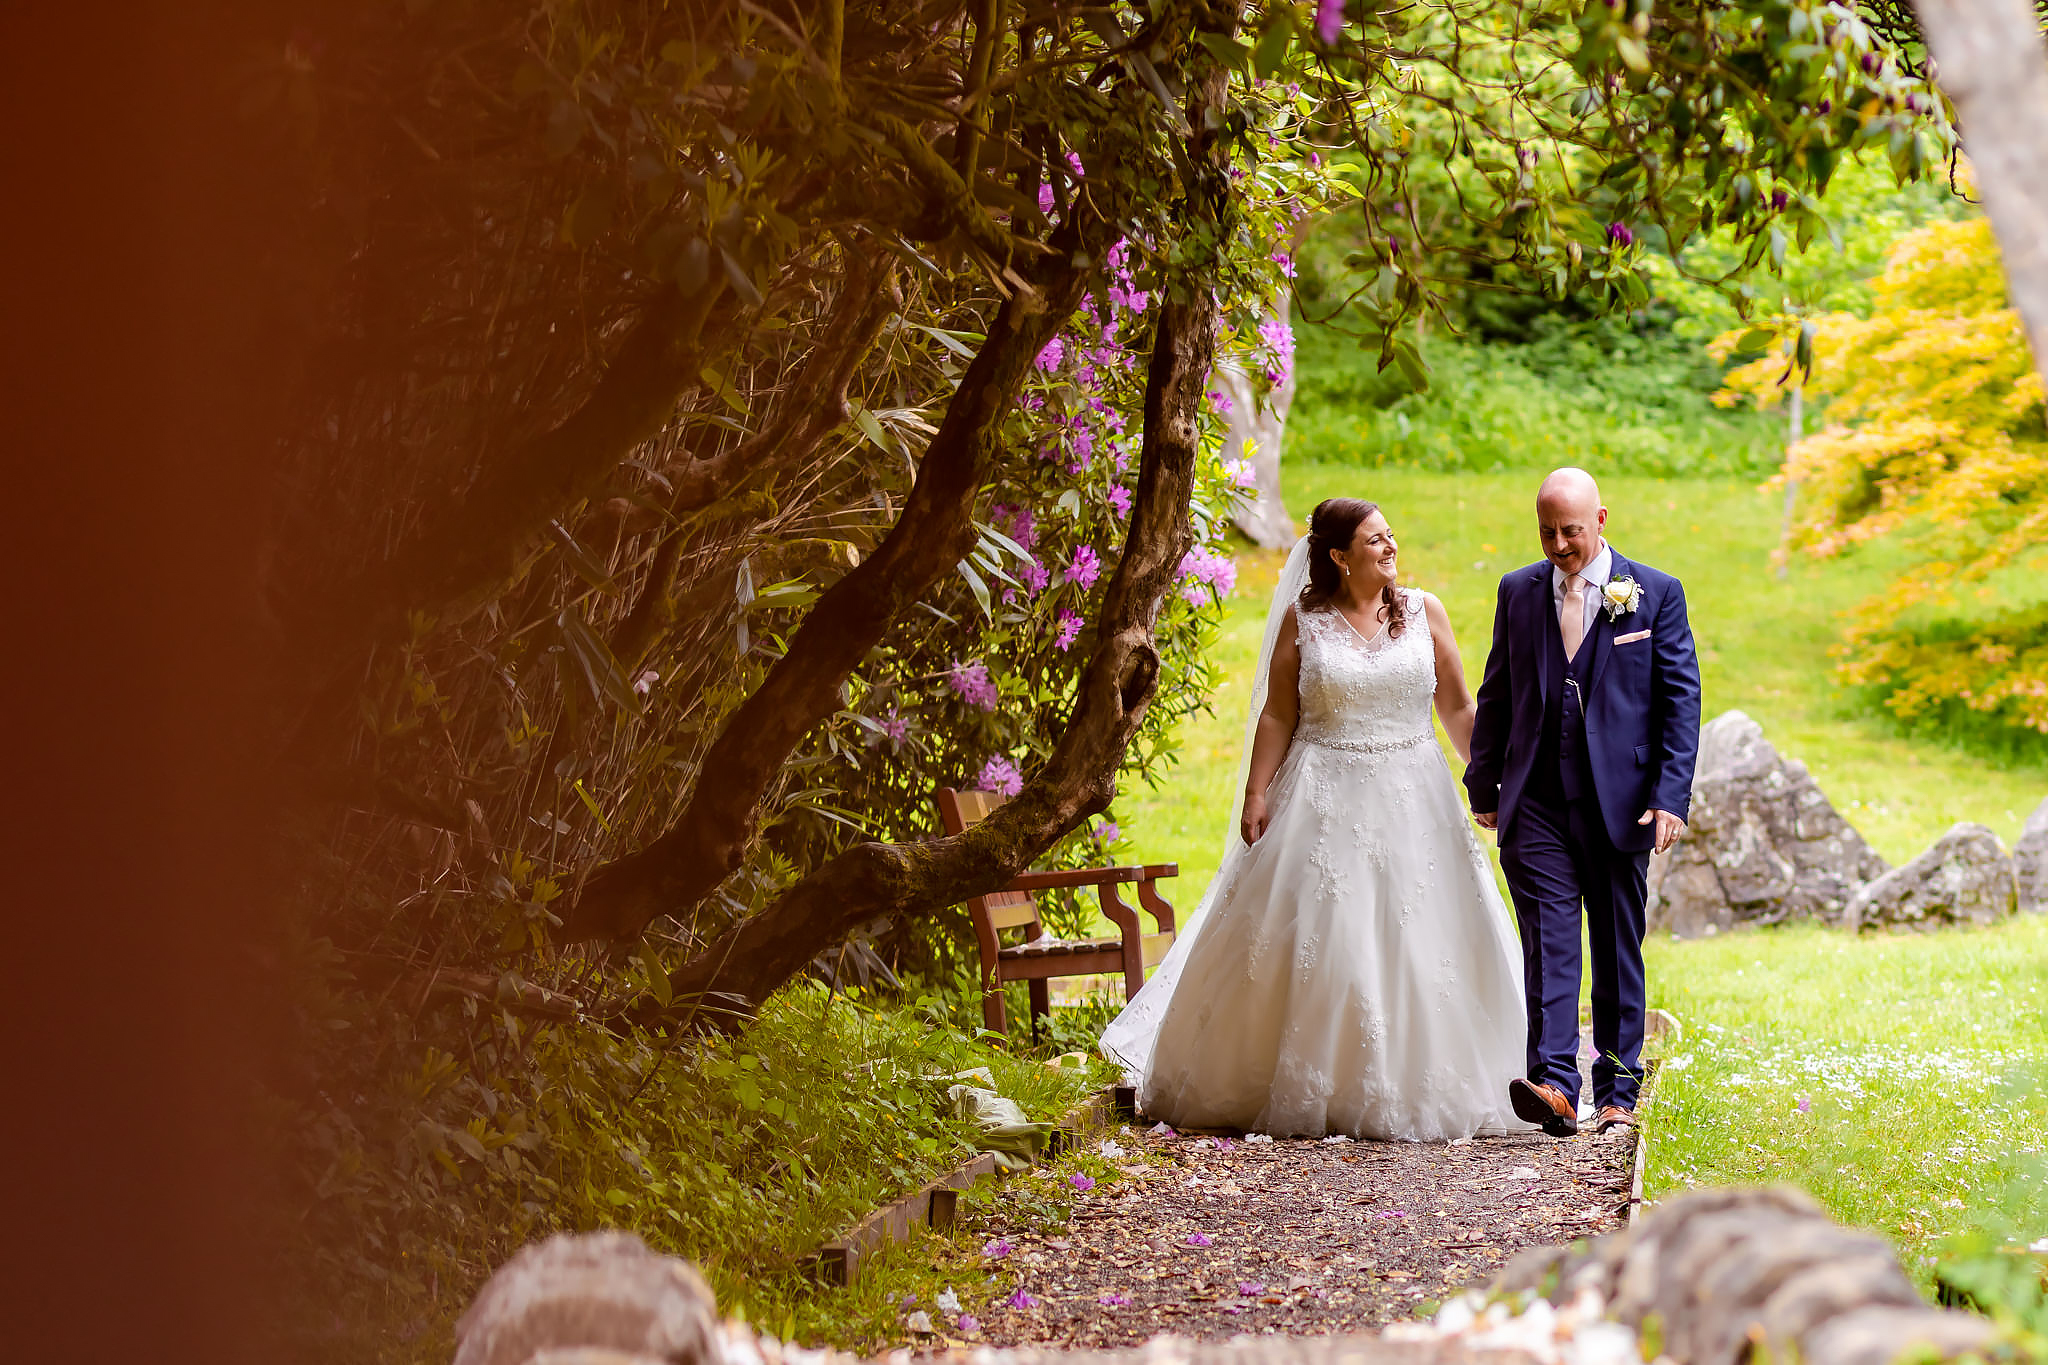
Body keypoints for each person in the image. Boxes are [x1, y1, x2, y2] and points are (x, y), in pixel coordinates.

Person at [1100, 498, 1525, 1140]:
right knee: (1324, 936)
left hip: (1416, 794)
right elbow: (1276, 716)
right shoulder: (1304, 623)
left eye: (1391, 535)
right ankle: (1312, 1081)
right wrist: (1256, 792)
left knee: (1421, 936)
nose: (1389, 548)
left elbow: (1459, 706)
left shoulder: (1425, 612)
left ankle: (1425, 1077)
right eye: (1374, 540)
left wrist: (1490, 777)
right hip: (1324, 793)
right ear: (1338, 556)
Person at [1465, 468, 1701, 1138]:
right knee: (1549, 939)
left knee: (1618, 944)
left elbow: (1680, 702)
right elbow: (1498, 693)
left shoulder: (1654, 594)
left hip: (1621, 803)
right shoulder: (1517, 592)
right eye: (1548, 530)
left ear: (1601, 519)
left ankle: (1620, 1091)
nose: (1560, 543)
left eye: (1571, 529)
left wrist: (1669, 796)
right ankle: (1555, 1084)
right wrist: (1485, 786)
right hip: (1536, 799)